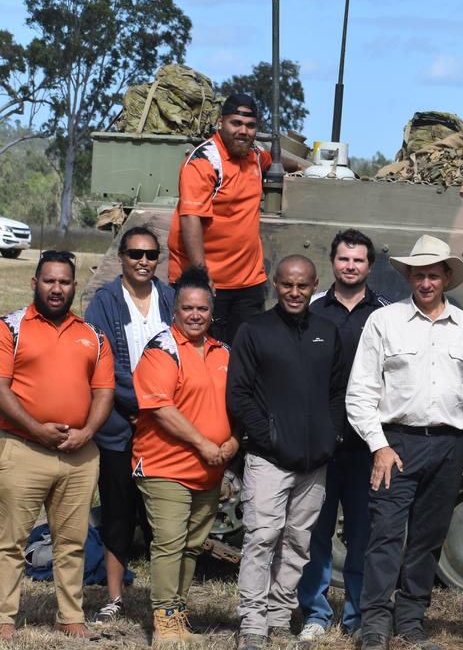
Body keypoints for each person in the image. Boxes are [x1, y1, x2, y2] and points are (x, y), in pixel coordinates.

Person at [345, 235, 463, 650]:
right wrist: (379, 445)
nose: (426, 282)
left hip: (449, 445)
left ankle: (410, 621)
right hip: (396, 444)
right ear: (409, 277)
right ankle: (374, 624)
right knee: (386, 534)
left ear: (446, 278)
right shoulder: (383, 323)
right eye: (418, 275)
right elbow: (361, 391)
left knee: (427, 537)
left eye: (433, 275)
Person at [227, 256, 347, 650]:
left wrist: (330, 439)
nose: (294, 292)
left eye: (303, 285)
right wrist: (269, 439)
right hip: (269, 459)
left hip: (315, 462)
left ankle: (279, 617)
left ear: (316, 286)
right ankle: (252, 622)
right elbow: (239, 395)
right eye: (287, 285)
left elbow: (336, 393)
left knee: (298, 543)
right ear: (275, 285)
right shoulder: (254, 331)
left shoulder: (327, 332)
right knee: (262, 537)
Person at [0, 250, 114, 640]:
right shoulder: (10, 328)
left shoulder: (93, 335)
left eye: (64, 282)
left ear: (74, 288)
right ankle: (4, 617)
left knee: (72, 542)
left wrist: (87, 433)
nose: (56, 288)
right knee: (11, 540)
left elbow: (103, 393)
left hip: (79, 455)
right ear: (34, 283)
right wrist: (37, 428)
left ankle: (70, 616)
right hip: (24, 448)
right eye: (49, 280)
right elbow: (0, 389)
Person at [130, 266, 237, 647]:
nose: (195, 315)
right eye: (188, 308)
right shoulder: (162, 348)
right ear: (175, 311)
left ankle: (178, 612)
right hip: (165, 466)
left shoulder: (223, 352)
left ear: (212, 312)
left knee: (192, 544)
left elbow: (239, 405)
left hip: (209, 470)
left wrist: (233, 442)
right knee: (171, 541)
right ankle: (164, 622)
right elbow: (160, 409)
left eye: (203, 309)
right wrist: (204, 444)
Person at [297, 230, 394, 642]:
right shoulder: (313, 310)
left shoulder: (387, 314)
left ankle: (356, 615)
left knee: (362, 533)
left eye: (358, 260)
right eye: (343, 259)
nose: (350, 266)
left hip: (366, 443)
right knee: (315, 531)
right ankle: (316, 613)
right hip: (320, 441)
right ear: (332, 262)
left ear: (369, 266)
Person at [83, 226, 174, 623]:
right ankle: (115, 597)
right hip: (120, 423)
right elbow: (102, 358)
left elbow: (183, 351)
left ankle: (166, 599)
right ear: (121, 256)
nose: (143, 261)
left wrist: (160, 406)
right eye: (135, 253)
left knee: (164, 518)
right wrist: (143, 401)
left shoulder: (169, 299)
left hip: (165, 424)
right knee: (119, 511)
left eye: (150, 254)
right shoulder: (104, 302)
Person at [167, 93, 294, 344]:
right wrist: (201, 275)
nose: (243, 131)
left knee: (245, 354)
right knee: (201, 352)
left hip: (247, 282)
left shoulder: (255, 156)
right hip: (210, 280)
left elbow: (275, 159)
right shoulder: (204, 162)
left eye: (250, 125)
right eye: (236, 123)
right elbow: (190, 218)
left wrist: (302, 167)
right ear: (220, 122)